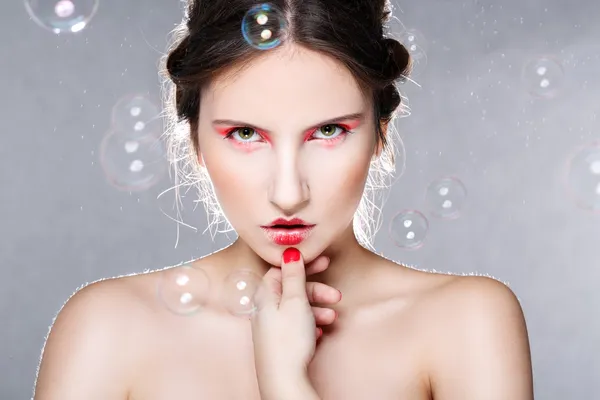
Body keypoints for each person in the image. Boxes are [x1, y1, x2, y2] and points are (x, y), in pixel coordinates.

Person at [33, 0, 534, 399]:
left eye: (329, 131)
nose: (289, 193)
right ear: (195, 142)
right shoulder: (106, 329)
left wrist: (287, 386)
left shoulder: (465, 322)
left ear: (381, 132)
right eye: (246, 133)